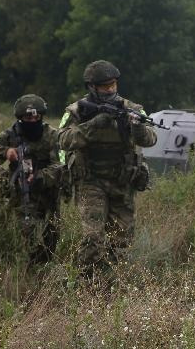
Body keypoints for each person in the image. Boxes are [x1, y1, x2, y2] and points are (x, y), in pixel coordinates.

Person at [57, 60, 157, 281]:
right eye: (105, 86)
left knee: (122, 239)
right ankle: (82, 281)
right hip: (90, 180)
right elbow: (63, 139)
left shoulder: (132, 109)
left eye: (113, 84)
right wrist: (94, 124)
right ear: (92, 87)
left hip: (122, 180)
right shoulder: (77, 110)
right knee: (93, 236)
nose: (111, 89)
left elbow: (151, 139)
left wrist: (138, 127)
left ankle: (108, 283)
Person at [0, 95, 63, 264]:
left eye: (37, 117)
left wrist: (40, 177)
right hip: (18, 194)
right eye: (28, 117)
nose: (33, 120)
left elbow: (62, 166)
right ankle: (18, 266)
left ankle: (42, 271)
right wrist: (5, 152)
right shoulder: (10, 134)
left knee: (51, 235)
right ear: (20, 118)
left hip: (47, 194)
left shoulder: (53, 136)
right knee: (23, 231)